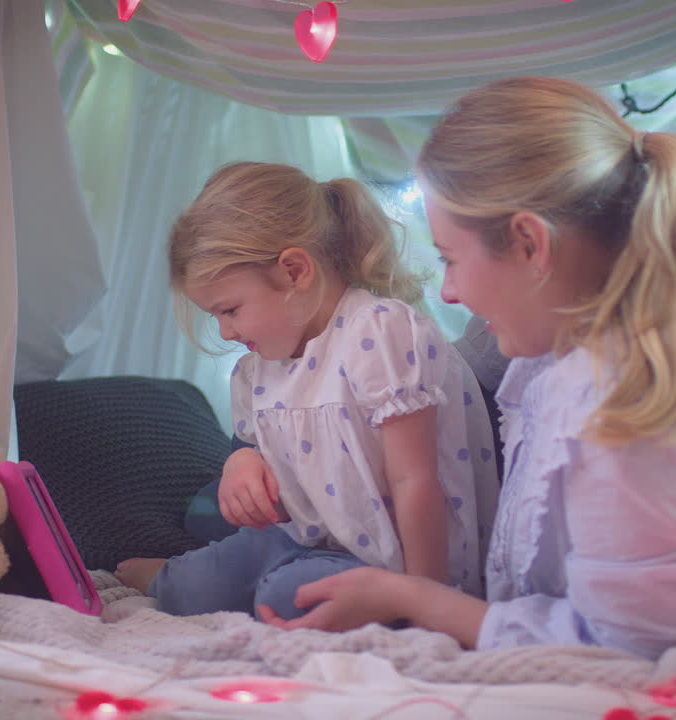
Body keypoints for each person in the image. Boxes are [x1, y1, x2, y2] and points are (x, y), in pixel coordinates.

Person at [258, 76, 676, 661]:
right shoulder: (556, 362)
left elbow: (627, 645)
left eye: (450, 260)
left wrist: (404, 594)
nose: (450, 292)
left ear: (531, 245)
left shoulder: (615, 409)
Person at [114, 162, 500, 621]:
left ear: (295, 270)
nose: (226, 330)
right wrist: (243, 462)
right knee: (195, 587)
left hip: (395, 560)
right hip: (306, 536)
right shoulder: (257, 370)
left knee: (283, 594)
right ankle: (172, 579)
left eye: (231, 310)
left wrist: (423, 600)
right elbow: (259, 457)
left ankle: (258, 577)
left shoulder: (379, 334)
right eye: (215, 315)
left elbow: (414, 482)